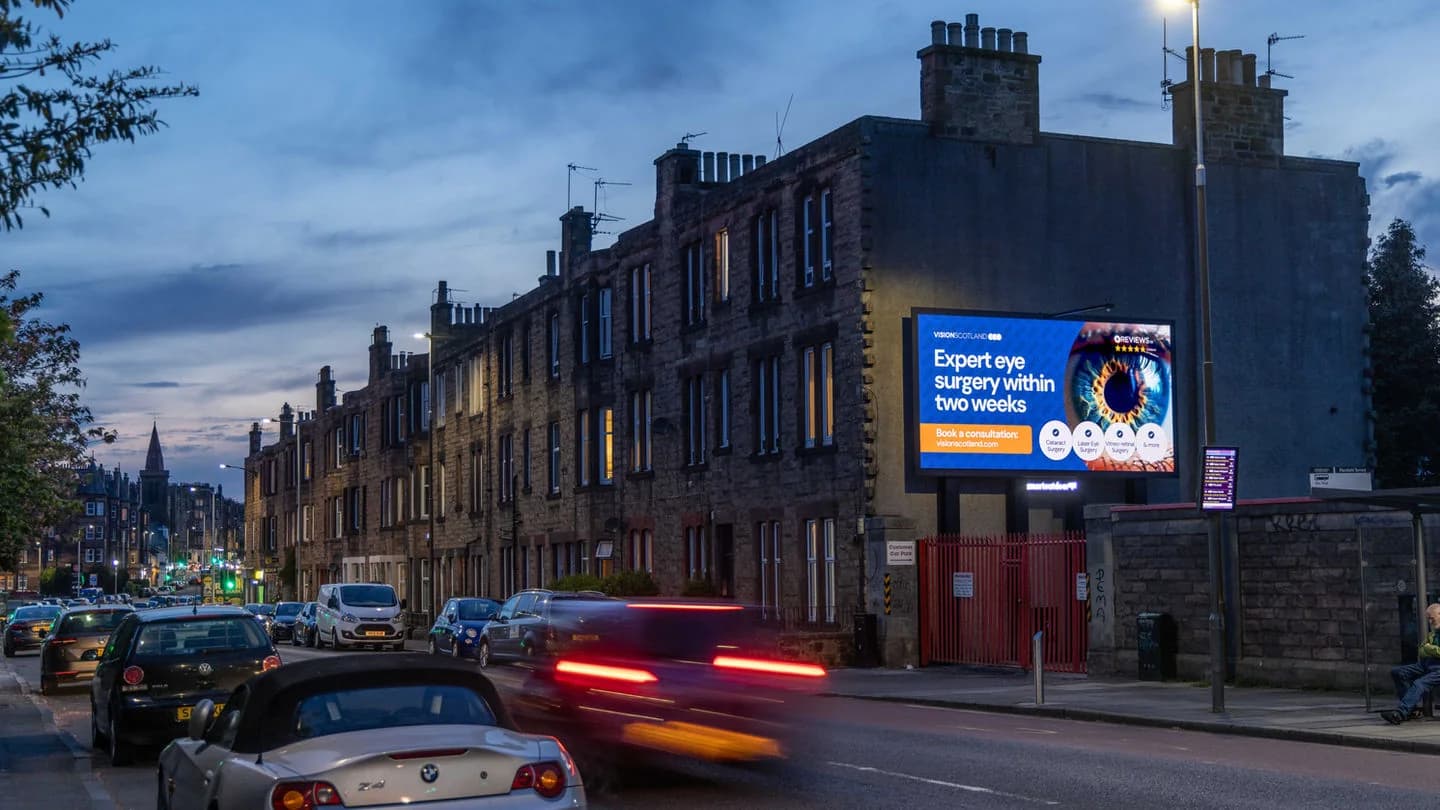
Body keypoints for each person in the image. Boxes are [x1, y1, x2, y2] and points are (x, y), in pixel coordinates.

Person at [1383, 603, 1440, 724]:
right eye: (1428, 618)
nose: (1430, 621)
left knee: (1419, 683)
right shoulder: (1434, 632)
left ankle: (1400, 713)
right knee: (1398, 672)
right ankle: (1412, 710)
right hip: (1427, 664)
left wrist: (1430, 649)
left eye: (1432, 618)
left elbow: (1427, 649)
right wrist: (1429, 649)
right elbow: (1421, 650)